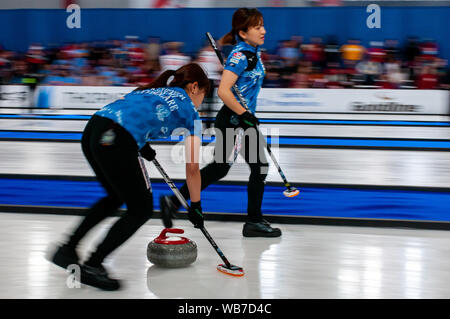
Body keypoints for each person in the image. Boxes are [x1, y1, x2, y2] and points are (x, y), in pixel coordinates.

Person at [49, 63, 210, 291]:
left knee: (115, 197)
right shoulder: (191, 113)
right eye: (204, 95)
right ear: (195, 87)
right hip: (117, 139)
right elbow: (193, 168)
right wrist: (195, 205)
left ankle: (67, 248)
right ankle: (94, 265)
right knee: (141, 209)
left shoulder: (153, 89)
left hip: (95, 129)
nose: (201, 102)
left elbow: (133, 110)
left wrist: (142, 145)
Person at [160, 8, 281, 238]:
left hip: (241, 119)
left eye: (263, 25)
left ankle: (175, 201)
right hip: (235, 120)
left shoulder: (252, 51)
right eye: (258, 27)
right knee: (244, 167)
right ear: (244, 33)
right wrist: (244, 115)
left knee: (241, 167)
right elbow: (225, 91)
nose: (264, 30)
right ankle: (252, 221)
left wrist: (246, 115)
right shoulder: (240, 55)